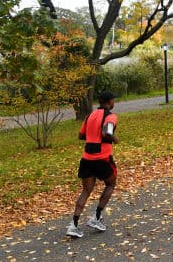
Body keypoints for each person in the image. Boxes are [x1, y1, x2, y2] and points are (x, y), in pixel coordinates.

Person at [67, 90, 119, 238]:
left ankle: (73, 225)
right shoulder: (111, 116)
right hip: (102, 158)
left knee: (86, 190)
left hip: (87, 158)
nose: (114, 103)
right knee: (111, 184)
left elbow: (81, 135)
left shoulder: (89, 116)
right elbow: (107, 132)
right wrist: (115, 139)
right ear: (109, 102)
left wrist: (93, 137)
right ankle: (96, 218)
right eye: (113, 100)